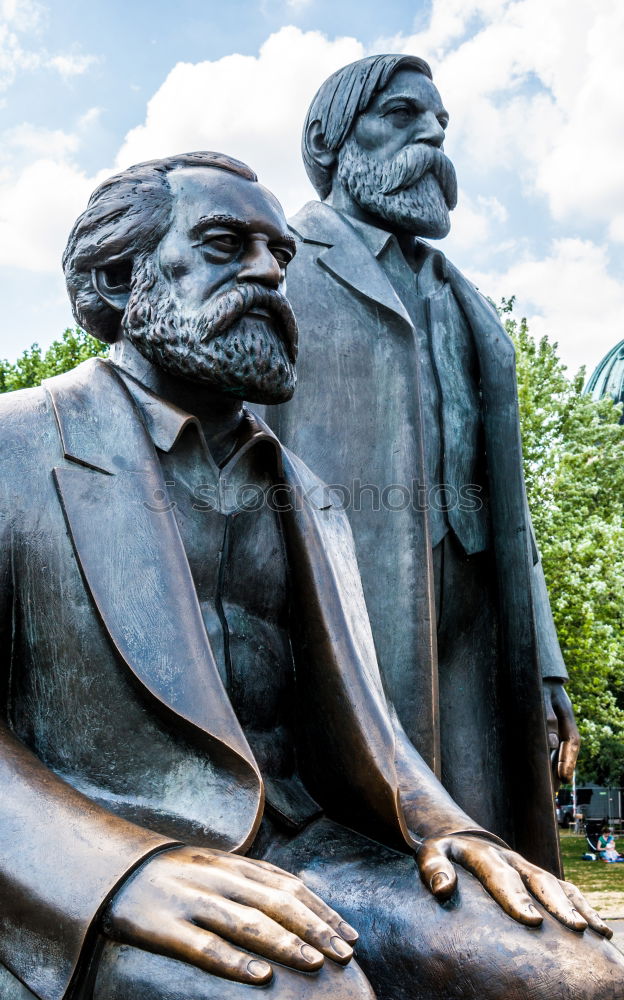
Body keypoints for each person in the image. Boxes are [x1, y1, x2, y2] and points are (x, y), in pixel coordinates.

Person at [1, 151, 623, 1000]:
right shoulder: (16, 444)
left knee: (571, 969)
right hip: (106, 848)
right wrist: (115, 872)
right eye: (225, 244)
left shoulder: (314, 498)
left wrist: (445, 825)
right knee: (307, 992)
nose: (265, 271)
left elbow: (367, 726)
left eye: (281, 257)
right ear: (116, 279)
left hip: (310, 848)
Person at [265, 54, 578, 873]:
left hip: (477, 623)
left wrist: (542, 661)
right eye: (403, 115)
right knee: (372, 866)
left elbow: (515, 519)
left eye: (440, 122)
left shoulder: (463, 298)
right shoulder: (278, 273)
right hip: (342, 625)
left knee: (489, 863)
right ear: (329, 141)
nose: (434, 135)